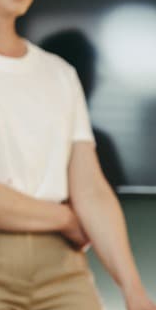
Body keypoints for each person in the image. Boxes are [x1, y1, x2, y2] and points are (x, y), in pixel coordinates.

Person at [0, 0, 156, 310]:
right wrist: (62, 218)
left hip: (61, 269)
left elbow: (91, 189)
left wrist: (134, 289)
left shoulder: (58, 74)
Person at [38, 28, 127, 191]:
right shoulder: (26, 137)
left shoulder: (98, 144)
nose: (98, 81)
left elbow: (106, 199)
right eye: (92, 72)